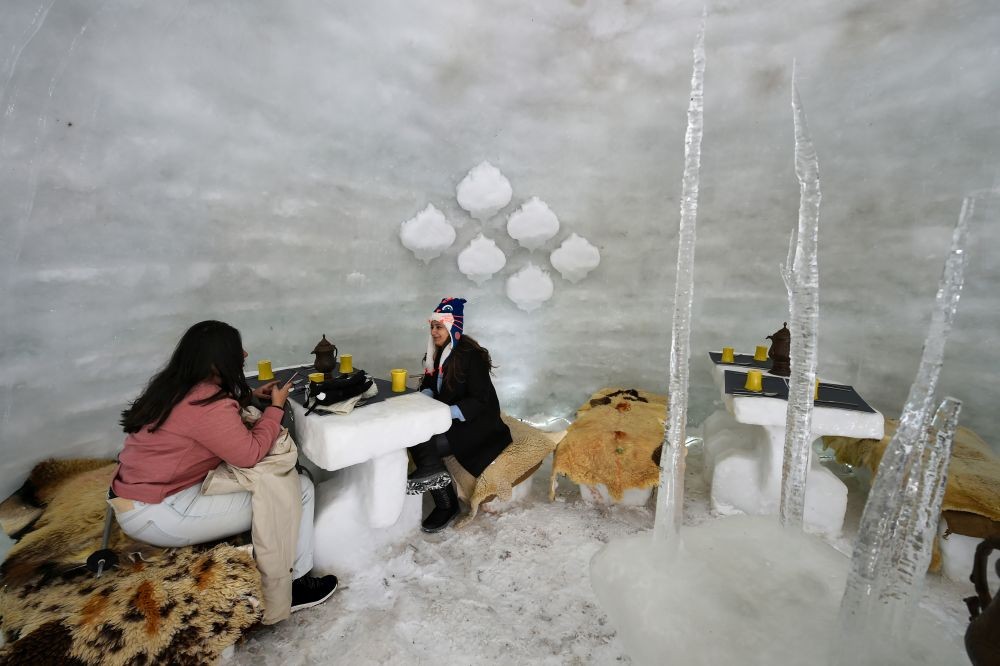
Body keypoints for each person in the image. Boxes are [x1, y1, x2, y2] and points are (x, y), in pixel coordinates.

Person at [110, 320, 337, 613]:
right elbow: (250, 454)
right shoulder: (205, 403)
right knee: (298, 487)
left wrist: (250, 397)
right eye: (236, 349)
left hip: (139, 496)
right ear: (215, 361)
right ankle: (296, 587)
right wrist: (275, 408)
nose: (244, 354)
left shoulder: (175, 385)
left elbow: (202, 421)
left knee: (277, 482)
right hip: (159, 513)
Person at [407, 297, 512, 532]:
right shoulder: (438, 352)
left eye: (439, 327)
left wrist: (447, 412)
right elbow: (431, 383)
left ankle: (446, 505)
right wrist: (426, 396)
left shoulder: (472, 356)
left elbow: (480, 400)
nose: (434, 332)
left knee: (426, 442)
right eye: (432, 326)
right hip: (449, 417)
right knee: (413, 432)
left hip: (476, 424)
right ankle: (431, 472)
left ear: (452, 327)